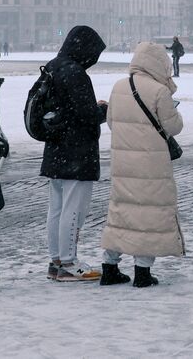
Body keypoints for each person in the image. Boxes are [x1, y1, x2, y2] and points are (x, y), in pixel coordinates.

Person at [100, 41, 185, 288]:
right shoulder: (159, 91)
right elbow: (174, 127)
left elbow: (112, 122)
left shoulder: (118, 87)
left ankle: (109, 267)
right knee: (149, 215)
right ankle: (142, 272)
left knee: (121, 213)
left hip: (123, 163)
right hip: (151, 166)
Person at [40, 25, 108, 283]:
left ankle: (56, 260)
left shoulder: (53, 66)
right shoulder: (75, 73)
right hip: (77, 151)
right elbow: (85, 115)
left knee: (56, 208)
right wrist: (102, 110)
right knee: (73, 209)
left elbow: (62, 109)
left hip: (56, 148)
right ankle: (69, 263)